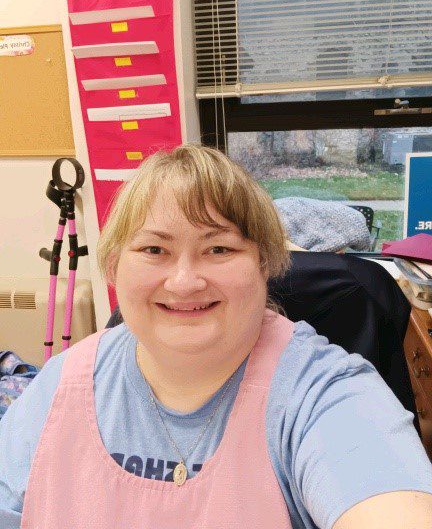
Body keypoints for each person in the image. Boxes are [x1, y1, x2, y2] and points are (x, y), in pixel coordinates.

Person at [0, 144, 431, 529]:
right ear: (113, 267)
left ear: (266, 265)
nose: (185, 282)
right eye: (154, 250)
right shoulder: (58, 389)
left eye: (219, 249)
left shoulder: (322, 394)